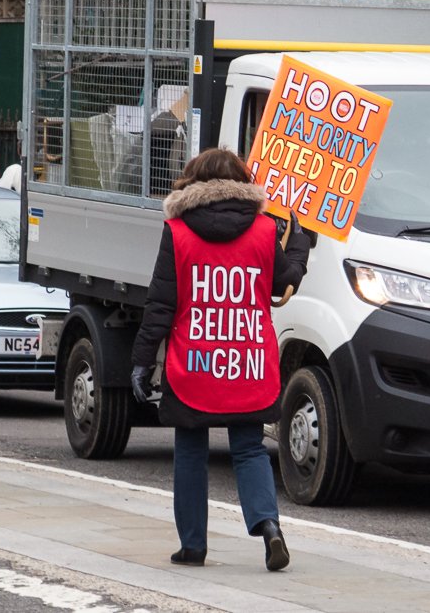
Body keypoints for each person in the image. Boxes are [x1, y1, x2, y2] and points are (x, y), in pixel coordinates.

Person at [130, 147, 310, 572]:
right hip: (247, 361)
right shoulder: (266, 230)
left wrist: (142, 361)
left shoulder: (176, 232)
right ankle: (270, 529)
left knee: (190, 450)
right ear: (242, 183)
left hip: (193, 363)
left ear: (191, 183)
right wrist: (299, 245)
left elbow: (161, 303)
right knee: (249, 449)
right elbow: (285, 281)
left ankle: (193, 545)